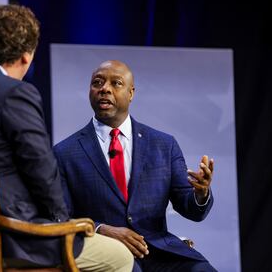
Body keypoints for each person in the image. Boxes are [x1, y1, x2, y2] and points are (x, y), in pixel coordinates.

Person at [0, 6, 133, 271]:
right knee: (120, 256)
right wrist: (65, 225)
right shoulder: (14, 93)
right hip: (12, 241)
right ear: (26, 55)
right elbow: (43, 174)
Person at [53, 60, 217, 271]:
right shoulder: (65, 152)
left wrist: (201, 193)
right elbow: (61, 217)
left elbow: (191, 210)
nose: (105, 89)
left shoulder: (164, 145)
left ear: (131, 93)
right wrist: (102, 229)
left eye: (116, 83)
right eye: (98, 82)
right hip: (105, 253)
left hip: (159, 252)